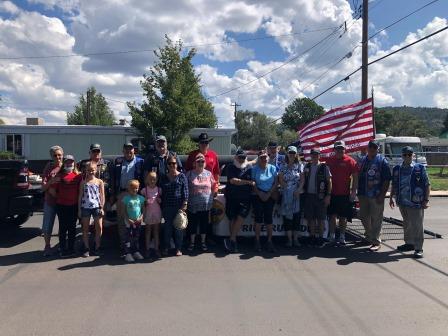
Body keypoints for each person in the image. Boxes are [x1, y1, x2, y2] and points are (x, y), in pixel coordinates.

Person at [390, 146, 430, 258]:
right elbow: (394, 184)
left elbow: (427, 185)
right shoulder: (397, 169)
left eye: (409, 154)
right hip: (402, 201)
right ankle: (409, 243)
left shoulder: (420, 168)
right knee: (406, 223)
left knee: (417, 225)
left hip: (416, 202)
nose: (407, 156)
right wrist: (391, 198)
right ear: (402, 156)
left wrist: (426, 200)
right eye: (405, 154)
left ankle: (418, 248)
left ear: (413, 155)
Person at [357, 140, 391, 251]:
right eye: (370, 147)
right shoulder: (363, 160)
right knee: (363, 215)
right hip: (363, 194)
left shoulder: (382, 161)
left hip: (376, 195)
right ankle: (369, 235)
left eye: (374, 147)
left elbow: (386, 179)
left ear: (378, 149)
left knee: (376, 218)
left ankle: (376, 241)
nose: (372, 149)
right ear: (367, 148)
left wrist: (382, 194)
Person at [111, 143, 145, 251]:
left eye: (130, 150)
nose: (128, 152)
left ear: (134, 150)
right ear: (123, 151)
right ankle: (124, 245)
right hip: (122, 193)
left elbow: (144, 178)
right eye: (126, 150)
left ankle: (135, 246)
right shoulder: (118, 161)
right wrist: (113, 194)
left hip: (135, 194)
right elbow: (113, 178)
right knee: (122, 220)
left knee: (136, 220)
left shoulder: (140, 162)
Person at [325, 141, 358, 246]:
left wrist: (353, 192)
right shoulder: (329, 161)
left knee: (343, 217)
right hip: (332, 193)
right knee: (332, 216)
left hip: (345, 194)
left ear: (345, 149)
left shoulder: (350, 161)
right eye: (337, 148)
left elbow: (355, 177)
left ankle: (342, 236)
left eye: (341, 149)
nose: (339, 150)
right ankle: (332, 235)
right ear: (334, 150)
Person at [49, 155, 82, 258]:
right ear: (64, 164)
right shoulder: (59, 176)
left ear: (74, 164)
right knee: (63, 228)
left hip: (74, 206)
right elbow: (52, 190)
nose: (69, 164)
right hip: (61, 205)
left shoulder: (78, 176)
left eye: (71, 162)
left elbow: (81, 190)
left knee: (72, 228)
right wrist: (60, 197)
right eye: (67, 162)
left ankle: (71, 248)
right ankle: (62, 249)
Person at [223, 149, 254, 253]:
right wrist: (248, 182)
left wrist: (246, 183)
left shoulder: (249, 168)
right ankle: (233, 241)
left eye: (243, 157)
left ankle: (231, 239)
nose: (241, 159)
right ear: (236, 157)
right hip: (232, 197)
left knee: (240, 218)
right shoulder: (230, 167)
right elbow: (233, 181)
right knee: (232, 218)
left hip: (245, 198)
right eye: (240, 157)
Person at [299, 149, 332, 248]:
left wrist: (328, 195)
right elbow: (303, 179)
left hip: (321, 196)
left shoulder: (324, 167)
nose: (315, 156)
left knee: (321, 219)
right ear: (311, 155)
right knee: (311, 218)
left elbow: (329, 182)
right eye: (313, 155)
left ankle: (321, 238)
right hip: (309, 195)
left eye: (316, 155)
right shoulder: (307, 166)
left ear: (319, 156)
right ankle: (312, 237)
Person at [186, 153, 217, 252]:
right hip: (192, 204)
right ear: (194, 163)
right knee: (192, 224)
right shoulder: (189, 174)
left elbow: (214, 185)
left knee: (204, 224)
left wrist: (213, 195)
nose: (200, 163)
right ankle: (192, 242)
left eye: (202, 161)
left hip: (206, 204)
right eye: (198, 161)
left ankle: (203, 242)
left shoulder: (209, 173)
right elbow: (185, 188)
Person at [159, 154, 189, 257]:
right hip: (167, 207)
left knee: (178, 229)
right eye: (170, 163)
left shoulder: (182, 176)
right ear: (167, 165)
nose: (172, 165)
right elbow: (160, 192)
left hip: (179, 207)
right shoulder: (163, 177)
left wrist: (185, 203)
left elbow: (185, 191)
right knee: (167, 229)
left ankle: (178, 248)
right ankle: (166, 247)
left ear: (177, 164)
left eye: (174, 163)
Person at [252, 150, 278, 253]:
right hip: (258, 195)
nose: (264, 159)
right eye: (262, 157)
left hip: (269, 195)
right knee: (258, 218)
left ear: (268, 158)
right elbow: (253, 183)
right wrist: (260, 194)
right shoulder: (254, 169)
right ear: (259, 159)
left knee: (269, 219)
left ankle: (269, 241)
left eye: (265, 157)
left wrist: (269, 193)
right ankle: (257, 241)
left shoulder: (273, 168)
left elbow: (276, 182)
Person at [78, 162, 105, 257]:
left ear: (96, 170)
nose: (91, 172)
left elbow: (102, 195)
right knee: (85, 228)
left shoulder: (99, 181)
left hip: (97, 207)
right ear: (86, 170)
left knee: (99, 227)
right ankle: (86, 248)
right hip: (85, 207)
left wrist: (102, 207)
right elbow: (80, 196)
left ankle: (97, 247)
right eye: (89, 170)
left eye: (92, 170)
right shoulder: (83, 182)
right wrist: (79, 210)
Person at [41, 145, 64, 256]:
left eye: (59, 155)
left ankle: (61, 245)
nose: (58, 157)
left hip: (63, 201)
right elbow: (43, 187)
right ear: (51, 156)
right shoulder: (48, 168)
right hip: (50, 201)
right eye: (55, 155)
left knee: (63, 225)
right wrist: (51, 182)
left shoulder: (66, 166)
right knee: (47, 225)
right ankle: (47, 246)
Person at [279, 146, 303, 248]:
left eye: (293, 153)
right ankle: (289, 239)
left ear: (296, 154)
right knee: (287, 216)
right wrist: (287, 189)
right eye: (290, 153)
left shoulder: (299, 165)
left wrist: (298, 190)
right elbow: (280, 179)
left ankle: (296, 239)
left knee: (297, 216)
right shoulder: (283, 165)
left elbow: (302, 180)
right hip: (286, 193)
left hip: (297, 193)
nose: (292, 154)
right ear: (287, 154)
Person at [122, 179, 145, 262]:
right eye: (132, 188)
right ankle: (127, 253)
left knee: (136, 237)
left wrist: (141, 217)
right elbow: (124, 211)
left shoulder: (141, 198)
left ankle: (136, 251)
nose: (134, 190)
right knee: (128, 237)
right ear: (129, 189)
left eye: (136, 188)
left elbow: (143, 210)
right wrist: (128, 219)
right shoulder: (126, 199)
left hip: (138, 221)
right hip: (129, 222)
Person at [141, 171, 162, 259]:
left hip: (157, 212)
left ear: (156, 180)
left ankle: (156, 249)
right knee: (148, 231)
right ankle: (148, 249)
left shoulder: (159, 189)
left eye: (154, 179)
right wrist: (144, 201)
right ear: (147, 180)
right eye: (150, 179)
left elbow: (161, 200)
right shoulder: (144, 190)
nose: (152, 181)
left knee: (156, 231)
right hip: (148, 212)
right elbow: (141, 201)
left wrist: (160, 200)